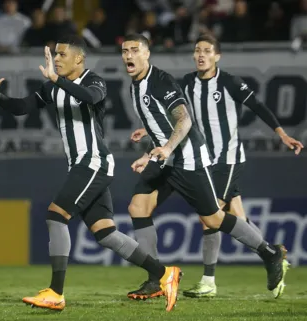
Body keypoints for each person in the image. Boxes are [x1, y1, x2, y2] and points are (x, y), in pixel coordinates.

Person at [0, 36, 182, 312]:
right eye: (55, 54)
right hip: (83, 165)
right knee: (106, 233)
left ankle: (55, 292)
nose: (56, 59)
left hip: (94, 162)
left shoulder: (94, 81)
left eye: (62, 54)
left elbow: (90, 97)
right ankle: (163, 273)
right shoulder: (53, 87)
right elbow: (22, 108)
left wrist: (56, 81)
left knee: (56, 216)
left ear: (78, 58)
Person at [120, 33, 288, 302]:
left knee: (213, 219)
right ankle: (157, 278)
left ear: (147, 54)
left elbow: (184, 121)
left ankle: (270, 253)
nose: (128, 55)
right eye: (125, 51)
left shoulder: (161, 81)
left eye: (134, 50)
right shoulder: (134, 86)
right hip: (166, 159)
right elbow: (162, 126)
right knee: (138, 207)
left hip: (188, 159)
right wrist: (150, 153)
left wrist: (165, 149)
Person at [179, 34, 302, 298]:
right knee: (238, 219)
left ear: (217, 56)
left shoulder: (230, 82)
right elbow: (175, 112)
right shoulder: (188, 83)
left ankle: (209, 281)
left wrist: (281, 134)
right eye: (198, 50)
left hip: (229, 158)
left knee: (209, 217)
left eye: (207, 51)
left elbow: (257, 106)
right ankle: (274, 253)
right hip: (207, 160)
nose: (201, 54)